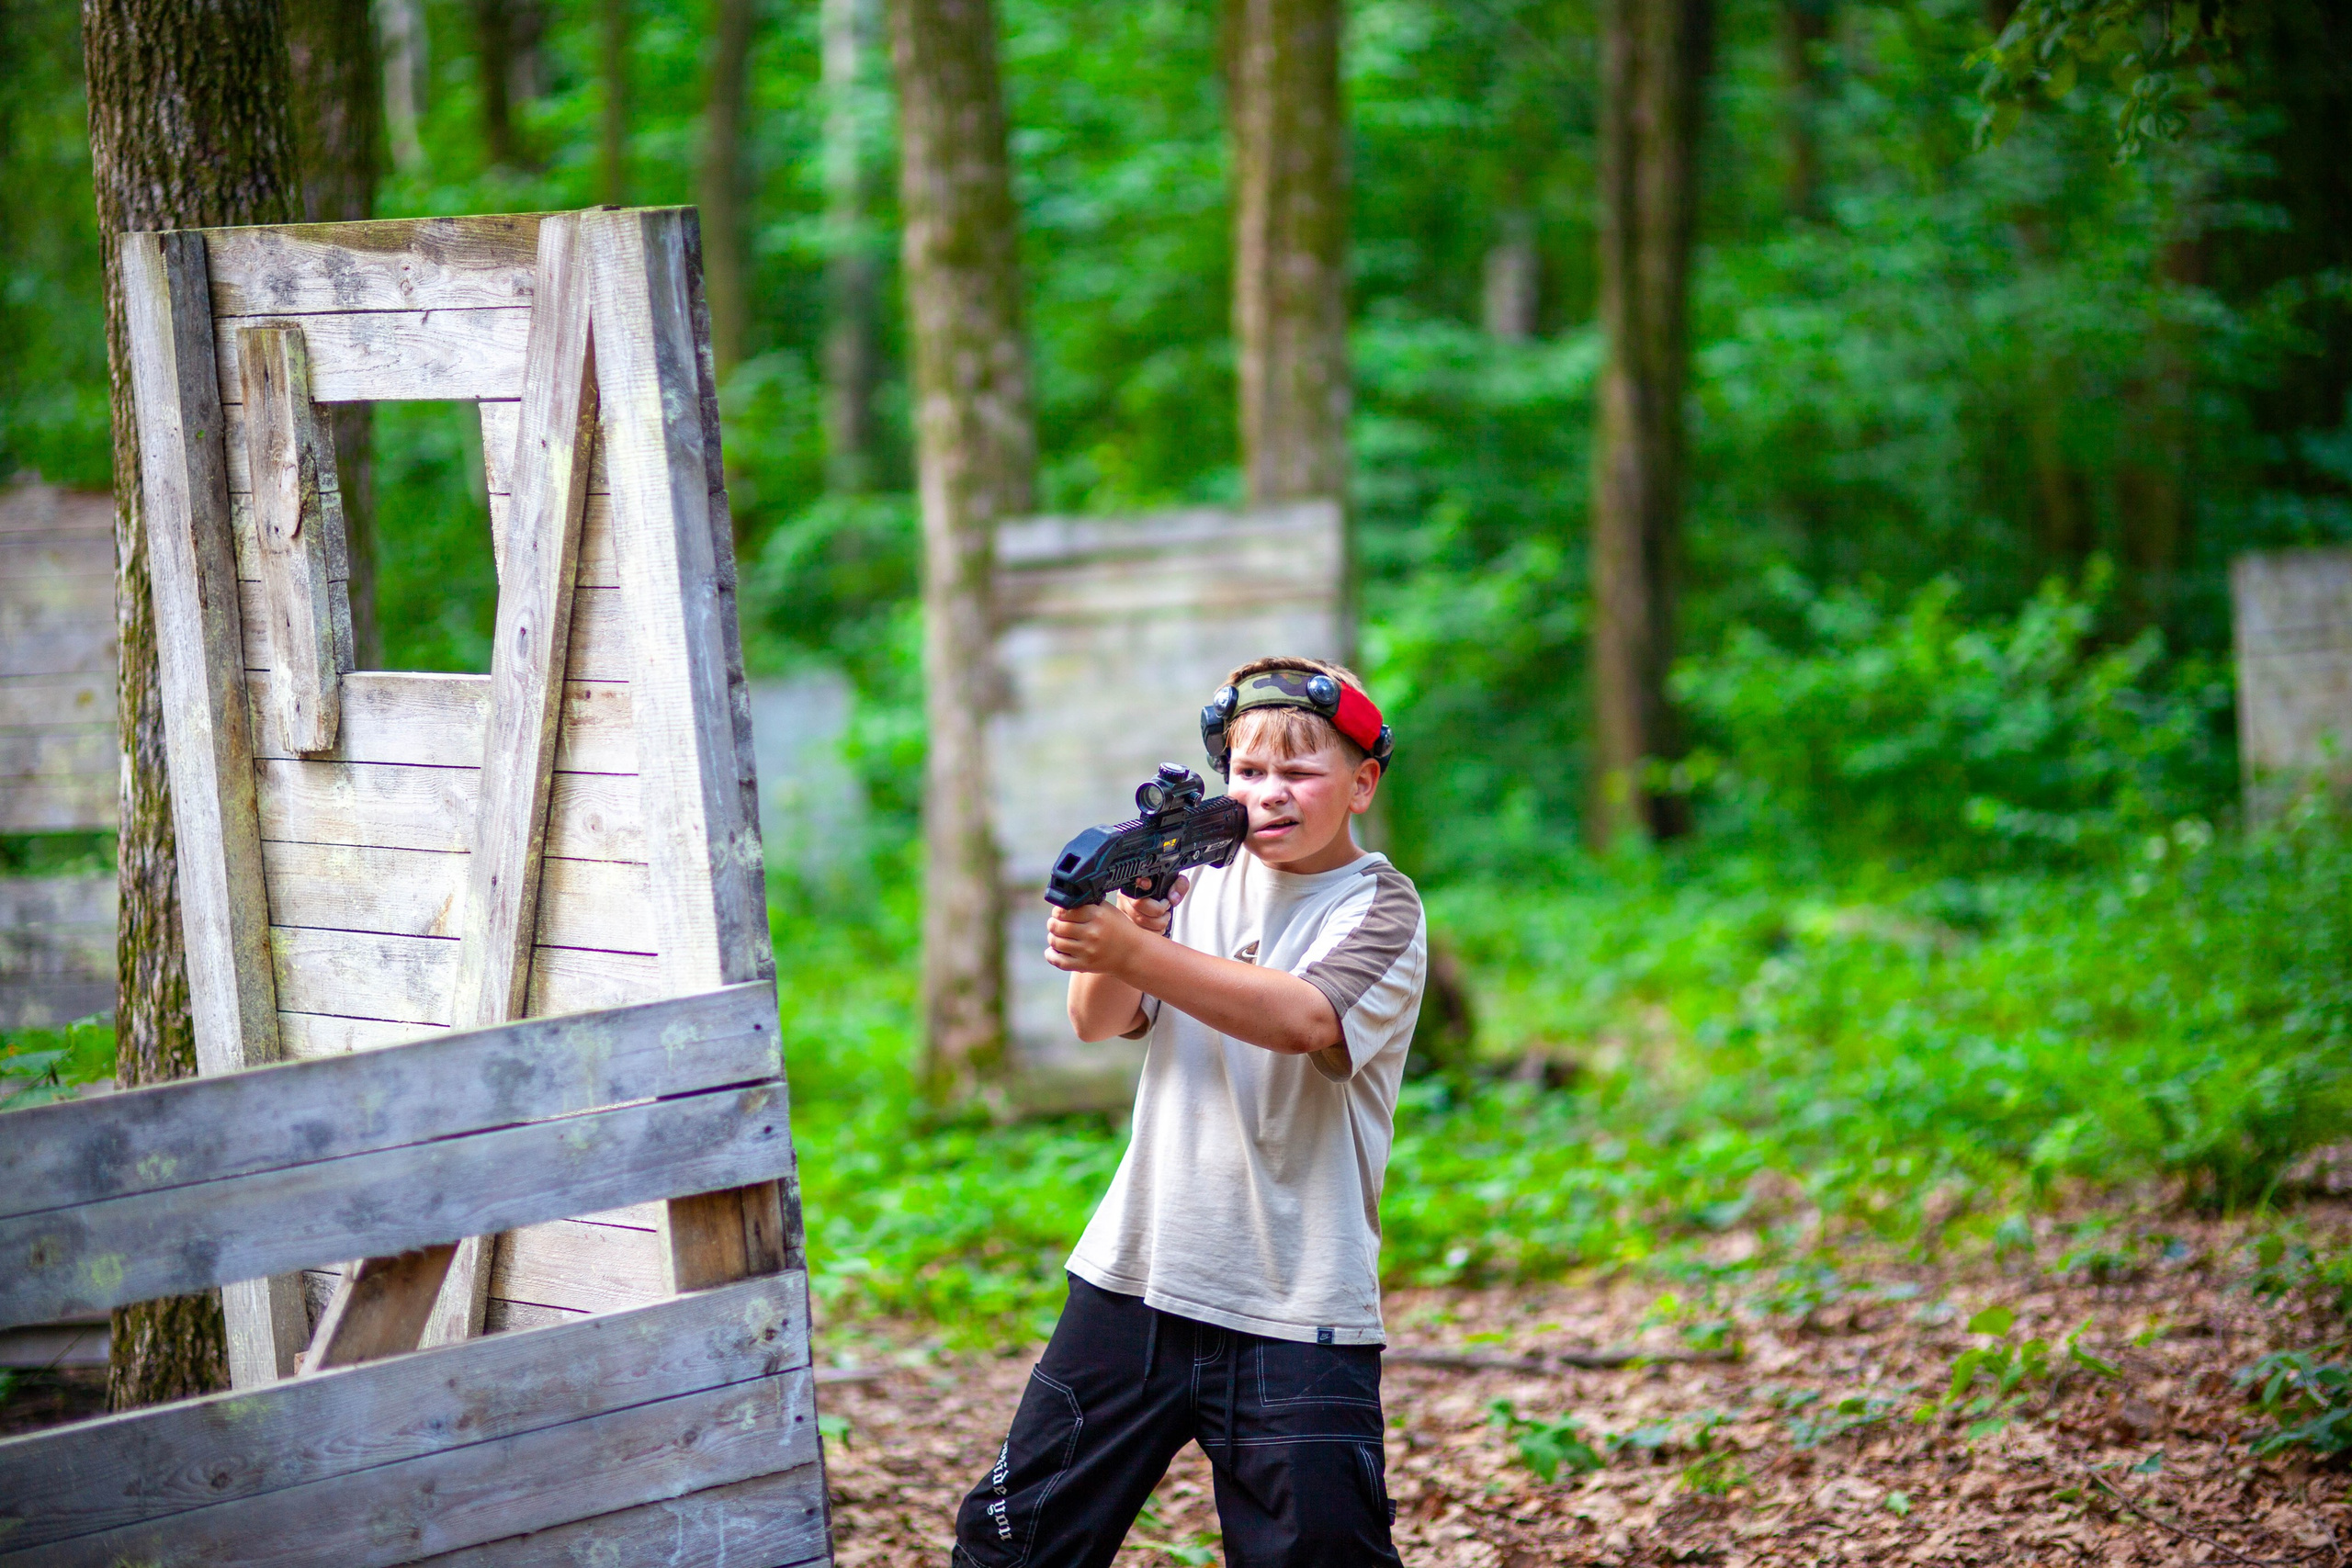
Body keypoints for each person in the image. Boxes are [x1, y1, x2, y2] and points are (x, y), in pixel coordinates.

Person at [952, 657, 1427, 1568]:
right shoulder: (1197, 876)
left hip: (1296, 1299)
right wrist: (1132, 927)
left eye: (1300, 771)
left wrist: (1133, 950)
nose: (1269, 793)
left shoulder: (1380, 907)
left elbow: (1303, 1018)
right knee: (1015, 1540)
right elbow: (1097, 1020)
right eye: (1248, 771)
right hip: (1138, 1271)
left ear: (1362, 784)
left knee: (1320, 1555)